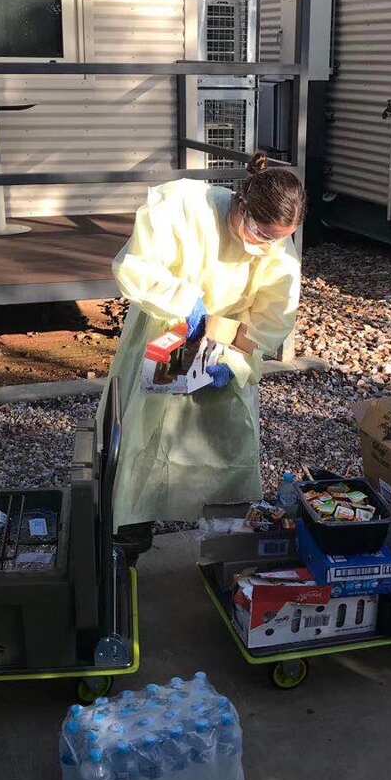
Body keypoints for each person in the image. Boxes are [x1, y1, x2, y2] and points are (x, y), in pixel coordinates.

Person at [103, 153, 306, 559]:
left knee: (225, 446)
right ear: (242, 204)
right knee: (143, 439)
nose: (264, 245)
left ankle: (227, 545)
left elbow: (269, 319)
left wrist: (231, 362)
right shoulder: (183, 205)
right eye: (260, 233)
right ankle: (130, 537)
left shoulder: (277, 252)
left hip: (224, 345)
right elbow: (134, 267)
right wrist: (184, 300)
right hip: (164, 330)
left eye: (276, 238)